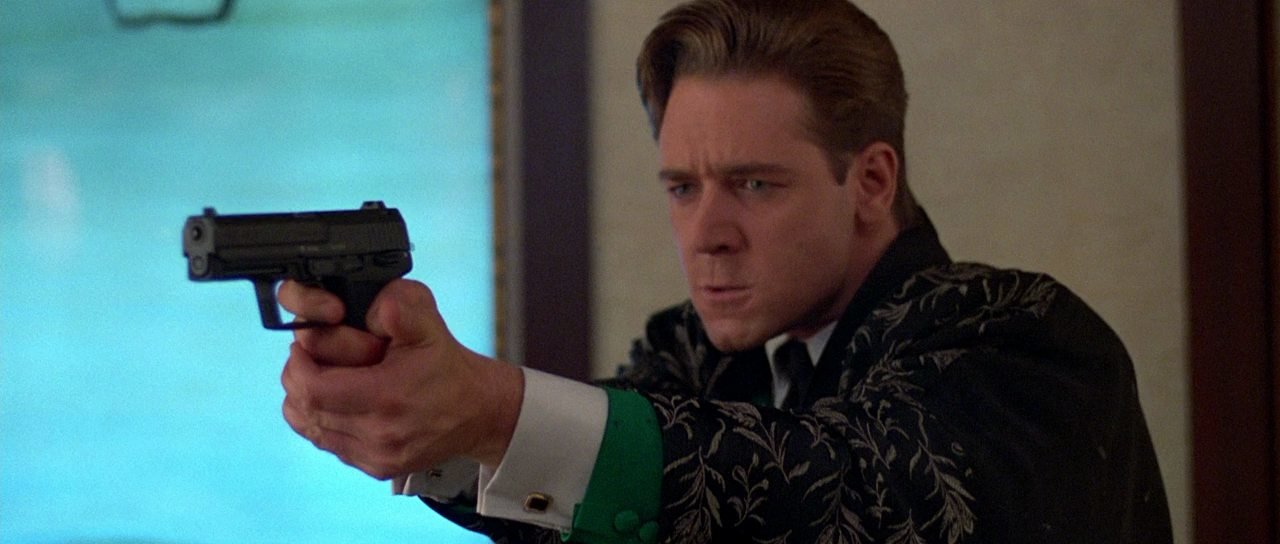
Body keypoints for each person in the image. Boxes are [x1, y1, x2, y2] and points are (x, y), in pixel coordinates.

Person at [278, 0, 1173, 542]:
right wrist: (425, 421)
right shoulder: (699, 354)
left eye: (754, 184)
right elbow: (599, 510)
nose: (706, 234)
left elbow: (855, 497)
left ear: (870, 181)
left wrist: (490, 409)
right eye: (682, 187)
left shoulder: (1021, 333)